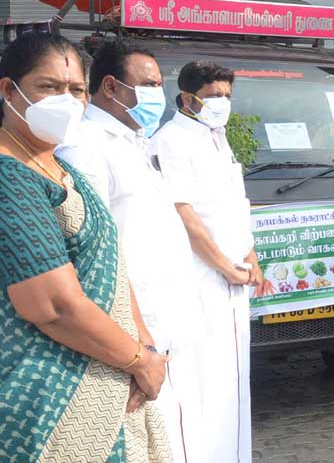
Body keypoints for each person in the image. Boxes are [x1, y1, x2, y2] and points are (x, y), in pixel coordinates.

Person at [0, 33, 170, 462]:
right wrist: (139, 362)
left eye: (76, 90)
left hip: (111, 374)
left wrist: (145, 349)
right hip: (47, 400)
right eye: (49, 87)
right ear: (8, 89)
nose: (66, 100)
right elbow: (53, 306)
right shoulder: (9, 176)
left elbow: (111, 263)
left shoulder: (59, 166)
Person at [56, 39, 207, 463]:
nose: (158, 95)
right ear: (110, 86)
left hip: (165, 331)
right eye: (149, 84)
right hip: (134, 339)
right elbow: (92, 254)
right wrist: (136, 346)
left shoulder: (134, 142)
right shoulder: (85, 148)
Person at [149, 61, 267, 463]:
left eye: (227, 97)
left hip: (234, 278)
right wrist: (223, 265)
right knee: (201, 385)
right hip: (201, 279)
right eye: (214, 96)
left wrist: (249, 258)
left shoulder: (217, 136)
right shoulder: (171, 141)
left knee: (232, 384)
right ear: (187, 98)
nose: (222, 104)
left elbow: (235, 205)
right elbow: (185, 216)